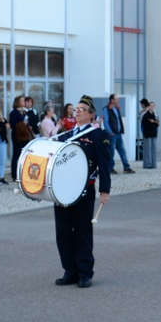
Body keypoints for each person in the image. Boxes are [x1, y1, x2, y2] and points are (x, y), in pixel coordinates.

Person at [53, 95, 111, 287]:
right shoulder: (66, 135)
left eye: (81, 110)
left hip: (84, 190)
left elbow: (104, 164)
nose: (77, 112)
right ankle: (70, 270)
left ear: (91, 114)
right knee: (63, 232)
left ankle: (85, 272)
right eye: (76, 109)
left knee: (82, 231)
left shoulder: (97, 135)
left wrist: (105, 190)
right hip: (62, 191)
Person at [103, 94, 134, 175]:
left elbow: (118, 121)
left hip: (118, 134)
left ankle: (126, 167)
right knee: (111, 152)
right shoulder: (106, 109)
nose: (118, 100)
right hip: (112, 134)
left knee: (122, 151)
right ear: (112, 100)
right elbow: (105, 121)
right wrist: (110, 132)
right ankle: (110, 168)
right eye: (116, 99)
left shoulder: (116, 109)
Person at [9, 96, 30, 180]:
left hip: (25, 135)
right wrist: (21, 125)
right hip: (17, 135)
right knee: (16, 154)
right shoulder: (14, 112)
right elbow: (12, 124)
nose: (24, 101)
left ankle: (22, 173)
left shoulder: (23, 112)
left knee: (24, 155)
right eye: (22, 100)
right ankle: (14, 175)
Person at [140, 102, 158, 169]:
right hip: (147, 133)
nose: (152, 107)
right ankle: (147, 164)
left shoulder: (155, 115)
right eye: (151, 105)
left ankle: (153, 164)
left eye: (153, 105)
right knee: (148, 149)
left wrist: (155, 122)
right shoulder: (145, 115)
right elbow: (143, 125)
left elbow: (157, 123)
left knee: (153, 149)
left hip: (154, 133)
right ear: (148, 107)